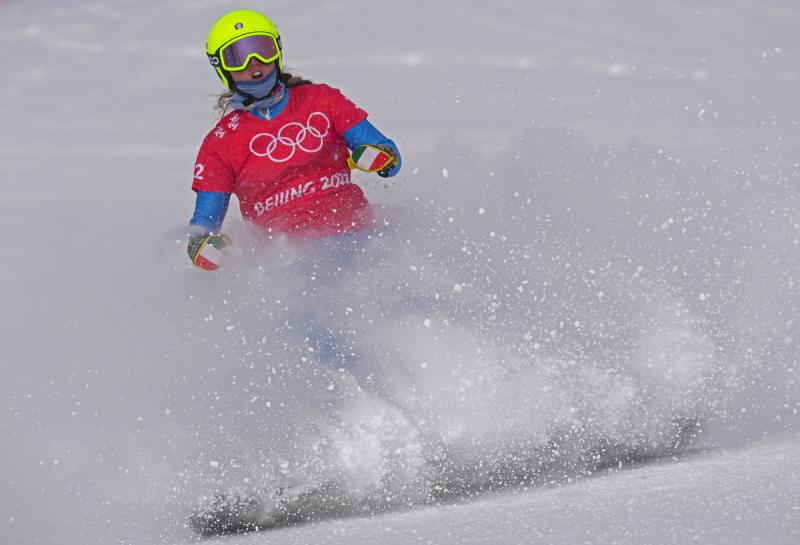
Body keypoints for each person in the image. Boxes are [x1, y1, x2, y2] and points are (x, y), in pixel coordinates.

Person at [187, 9, 402, 270]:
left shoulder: (322, 100)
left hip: (359, 238)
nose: (254, 62)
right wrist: (204, 248)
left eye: (261, 49)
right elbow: (203, 228)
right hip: (290, 264)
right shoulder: (220, 144)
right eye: (238, 57)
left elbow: (391, 156)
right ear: (222, 67)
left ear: (277, 51)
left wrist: (381, 158)